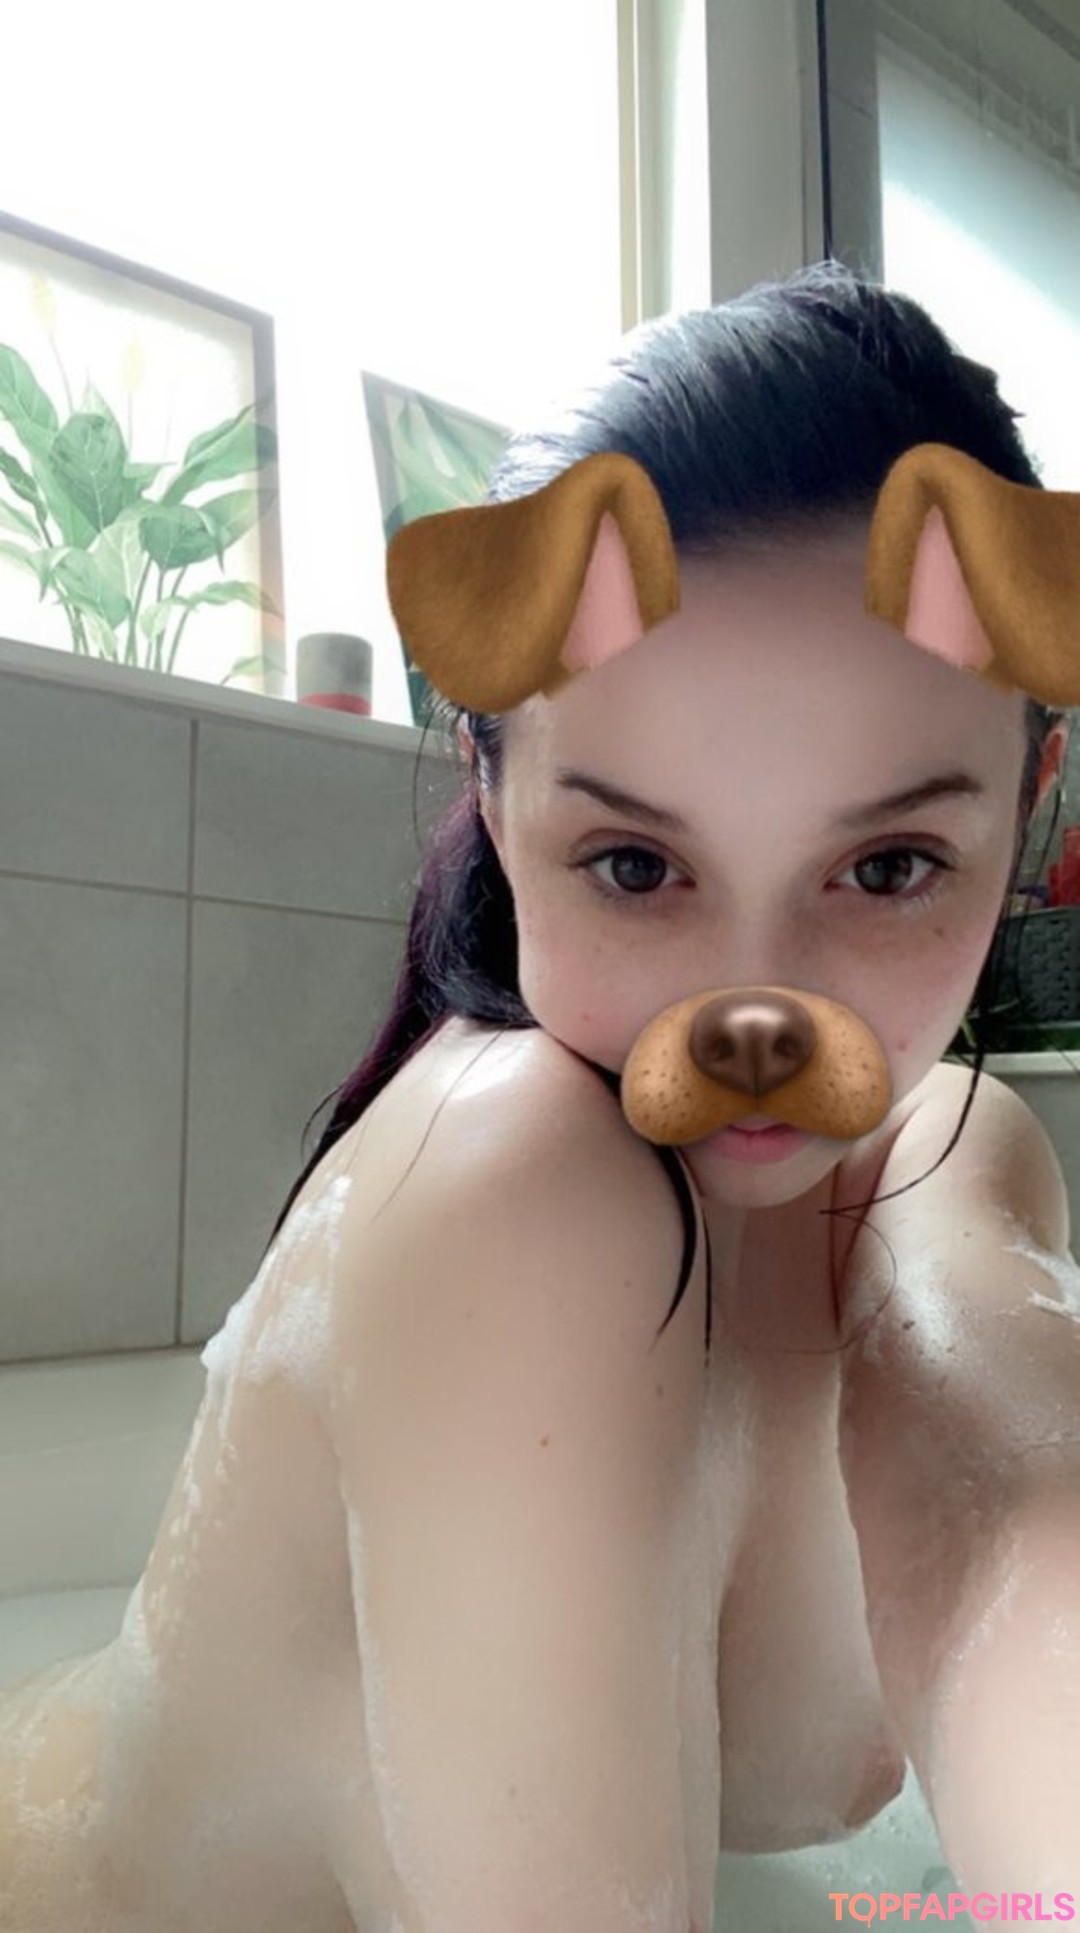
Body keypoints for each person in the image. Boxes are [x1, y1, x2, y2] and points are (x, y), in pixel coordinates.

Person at [1, 257, 1077, 1931]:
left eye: (887, 867)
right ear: (496, 798)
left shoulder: (958, 1153)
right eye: (638, 863)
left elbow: (1018, 1543)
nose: (758, 1012)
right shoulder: (515, 1190)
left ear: (1032, 807)